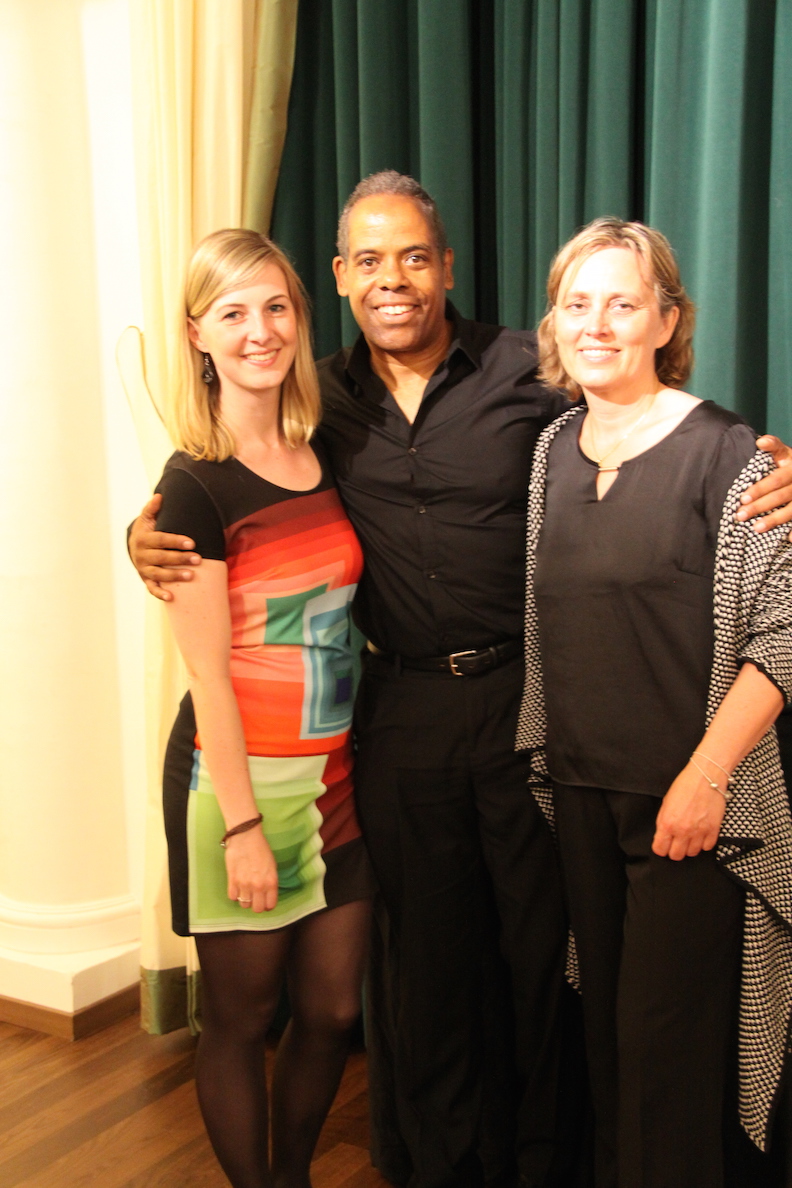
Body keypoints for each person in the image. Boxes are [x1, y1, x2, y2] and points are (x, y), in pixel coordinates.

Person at [129, 175, 792, 1188]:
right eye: (368, 260)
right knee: (429, 970)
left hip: (532, 706)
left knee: (542, 960)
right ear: (341, 278)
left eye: (413, 257)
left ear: (444, 266)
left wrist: (772, 464)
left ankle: (545, 1164)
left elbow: (661, 428)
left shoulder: (536, 371)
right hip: (396, 714)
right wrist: (142, 536)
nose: (392, 278)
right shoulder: (318, 404)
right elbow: (220, 490)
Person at [516, 218, 792, 1188]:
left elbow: (784, 635)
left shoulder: (733, 454)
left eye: (623, 304)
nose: (597, 324)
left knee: (664, 1060)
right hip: (580, 794)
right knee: (607, 1048)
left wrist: (707, 777)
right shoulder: (554, 448)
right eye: (577, 304)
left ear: (666, 321)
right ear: (555, 322)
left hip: (690, 807)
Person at [153, 228, 373, 1188]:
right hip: (236, 785)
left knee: (331, 1011)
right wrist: (242, 828)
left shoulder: (322, 450)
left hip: (333, 779)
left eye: (276, 307)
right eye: (234, 313)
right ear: (197, 334)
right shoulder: (192, 484)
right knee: (242, 1020)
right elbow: (208, 675)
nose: (260, 331)